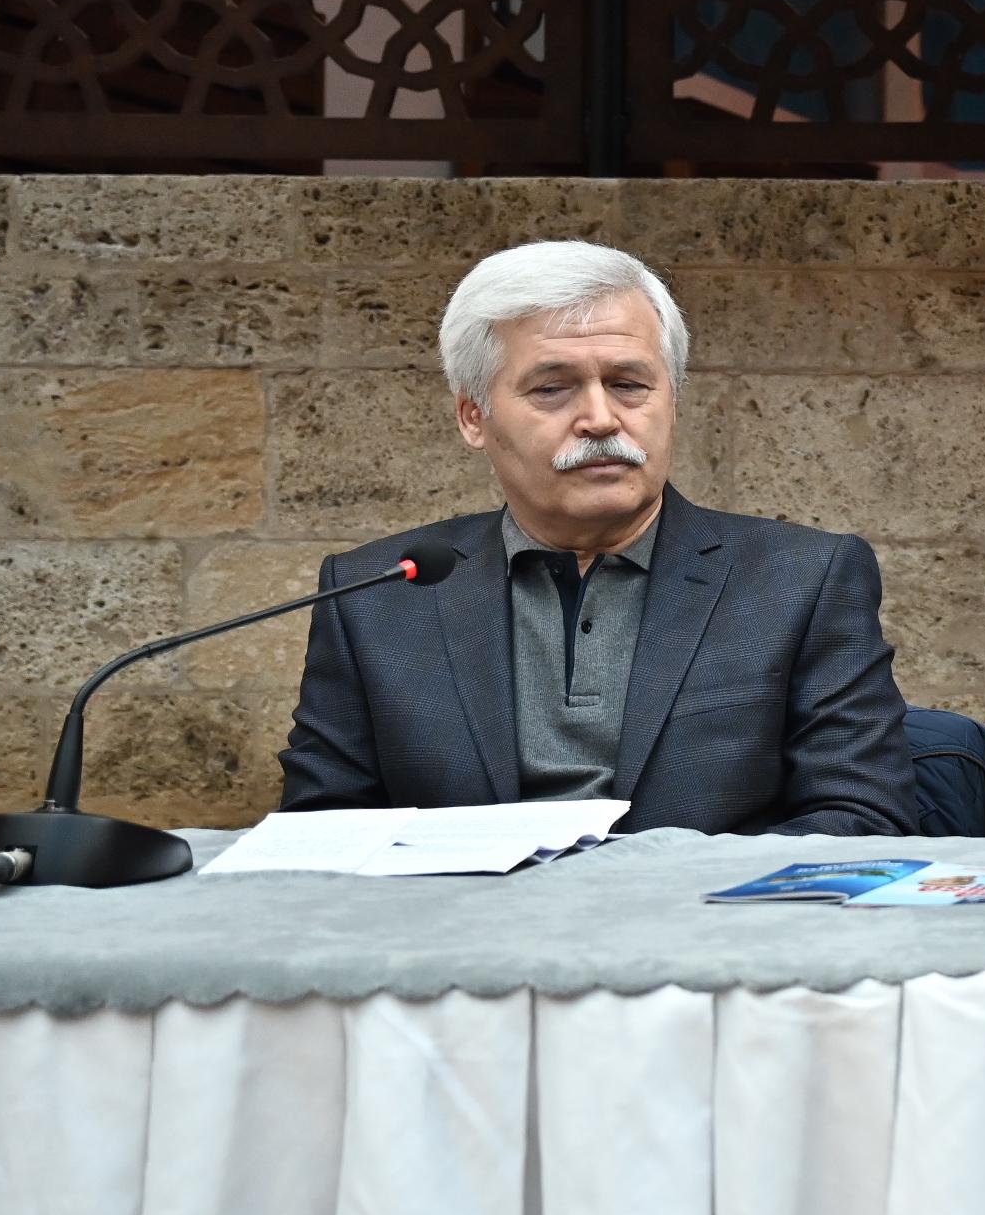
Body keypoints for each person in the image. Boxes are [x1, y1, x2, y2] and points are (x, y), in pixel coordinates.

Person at [278, 241, 920, 836]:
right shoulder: (377, 594)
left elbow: (863, 819)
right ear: (474, 417)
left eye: (628, 384)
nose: (600, 419)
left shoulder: (800, 580)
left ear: (673, 399)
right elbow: (319, 832)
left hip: (697, 915)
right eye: (552, 389)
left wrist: (645, 889)